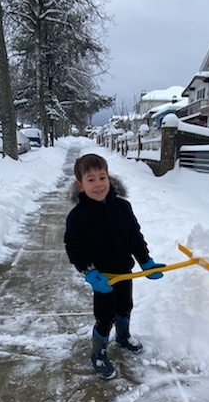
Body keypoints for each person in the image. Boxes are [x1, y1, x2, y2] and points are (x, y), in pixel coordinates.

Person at [64, 153, 164, 379]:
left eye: (102, 178)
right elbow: (74, 248)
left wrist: (146, 261)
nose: (99, 184)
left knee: (125, 306)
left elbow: (134, 238)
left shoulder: (122, 207)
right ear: (80, 185)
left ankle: (123, 336)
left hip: (123, 273)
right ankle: (98, 353)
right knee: (105, 316)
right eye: (91, 180)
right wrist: (89, 272)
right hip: (103, 278)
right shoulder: (78, 217)